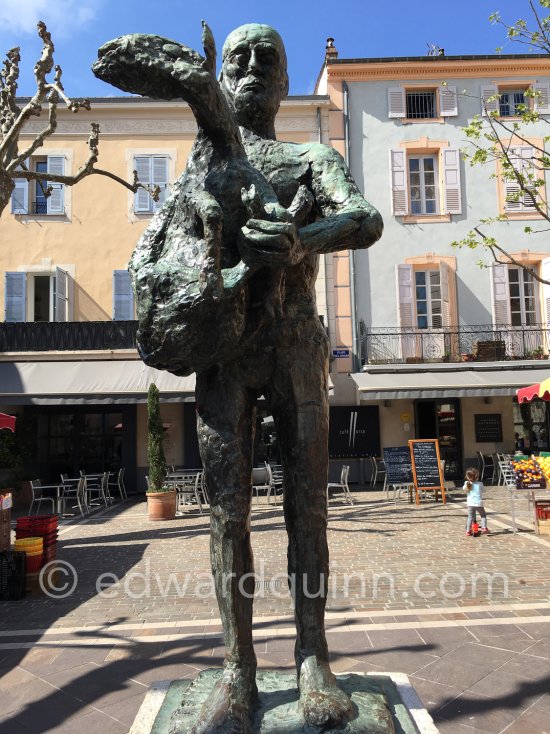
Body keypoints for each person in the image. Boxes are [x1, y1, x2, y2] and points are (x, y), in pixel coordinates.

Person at [95, 22, 382, 733]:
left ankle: (313, 657)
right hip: (224, 355)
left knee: (307, 507)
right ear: (224, 75)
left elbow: (365, 217)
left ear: (285, 81)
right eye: (241, 58)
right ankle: (238, 667)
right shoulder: (202, 165)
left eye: (268, 59)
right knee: (228, 513)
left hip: (296, 348)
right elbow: (169, 251)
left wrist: (299, 239)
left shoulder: (310, 156)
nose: (254, 68)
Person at [464, 467, 489, 536]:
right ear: (477, 476)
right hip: (478, 503)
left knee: (470, 517)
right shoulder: (480, 484)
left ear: (467, 476)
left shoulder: (466, 483)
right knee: (483, 515)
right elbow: (484, 491)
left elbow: (464, 490)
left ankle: (468, 531)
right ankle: (484, 528)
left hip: (470, 504)